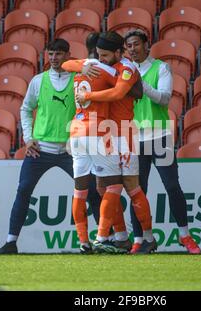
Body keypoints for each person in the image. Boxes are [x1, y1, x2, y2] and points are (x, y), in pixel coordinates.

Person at [0, 39, 102, 254]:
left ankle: (103, 239)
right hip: (40, 150)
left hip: (70, 151)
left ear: (67, 55)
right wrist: (28, 138)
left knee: (91, 191)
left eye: (58, 54)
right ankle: (10, 242)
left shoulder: (79, 79)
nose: (54, 58)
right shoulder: (38, 80)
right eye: (50, 54)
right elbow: (25, 109)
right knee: (23, 191)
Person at [73, 31, 157, 254]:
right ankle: (121, 236)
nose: (101, 59)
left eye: (105, 55)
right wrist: (81, 67)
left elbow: (120, 93)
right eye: (99, 55)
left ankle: (147, 237)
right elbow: (69, 64)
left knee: (131, 186)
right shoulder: (108, 67)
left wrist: (88, 97)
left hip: (125, 134)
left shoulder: (127, 68)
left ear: (118, 52)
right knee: (104, 187)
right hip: (106, 134)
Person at [124, 29, 201, 254]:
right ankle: (140, 238)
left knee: (172, 186)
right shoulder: (124, 72)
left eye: (136, 44)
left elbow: (164, 98)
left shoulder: (162, 68)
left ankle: (185, 235)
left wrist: (140, 84)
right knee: (137, 191)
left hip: (160, 137)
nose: (132, 49)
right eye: (128, 46)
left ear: (147, 45)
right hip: (135, 139)